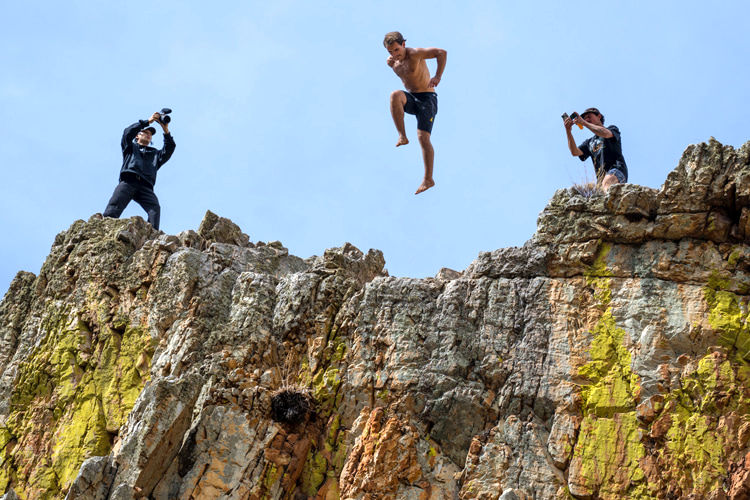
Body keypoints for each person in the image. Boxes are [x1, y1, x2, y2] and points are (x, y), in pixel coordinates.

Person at [384, 31, 447, 194]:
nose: (394, 55)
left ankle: (428, 179)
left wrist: (438, 76)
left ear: (403, 45)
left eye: (397, 50)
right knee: (395, 96)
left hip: (427, 99)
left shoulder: (415, 53)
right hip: (412, 98)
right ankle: (402, 136)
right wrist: (392, 58)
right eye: (390, 52)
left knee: (423, 138)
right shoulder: (391, 63)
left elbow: (441, 53)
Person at [103, 112, 175, 229]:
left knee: (155, 209)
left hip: (145, 186)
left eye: (150, 134)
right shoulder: (130, 147)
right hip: (128, 181)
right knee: (114, 206)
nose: (148, 135)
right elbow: (127, 132)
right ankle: (104, 228)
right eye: (145, 132)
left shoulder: (155, 154)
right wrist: (148, 122)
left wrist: (165, 129)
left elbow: (170, 148)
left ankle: (152, 235)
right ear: (137, 136)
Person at [564, 107, 627, 191]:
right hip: (601, 180)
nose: (586, 119)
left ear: (599, 116)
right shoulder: (589, 142)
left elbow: (605, 133)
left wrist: (584, 123)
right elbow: (575, 152)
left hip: (616, 170)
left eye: (589, 116)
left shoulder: (612, 129)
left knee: (607, 184)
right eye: (584, 118)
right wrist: (568, 131)